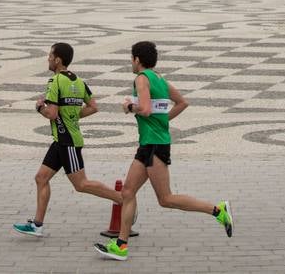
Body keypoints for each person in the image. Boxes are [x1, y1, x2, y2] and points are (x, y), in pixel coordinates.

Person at [94, 40, 233, 261]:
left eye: (131, 59)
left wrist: (129, 107)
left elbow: (145, 110)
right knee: (127, 192)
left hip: (155, 145)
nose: (131, 62)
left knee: (166, 199)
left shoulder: (142, 78)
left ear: (137, 59)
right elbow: (182, 103)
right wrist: (163, 121)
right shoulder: (159, 78)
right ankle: (121, 245)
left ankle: (218, 210)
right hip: (149, 143)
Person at [13, 42, 128, 238]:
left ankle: (123, 200)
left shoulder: (55, 81)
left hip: (68, 142)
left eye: (50, 56)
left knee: (81, 184)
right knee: (41, 178)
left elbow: (51, 113)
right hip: (61, 140)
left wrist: (39, 107)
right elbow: (93, 106)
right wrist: (73, 117)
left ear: (58, 60)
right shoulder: (79, 81)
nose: (48, 59)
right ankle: (37, 225)